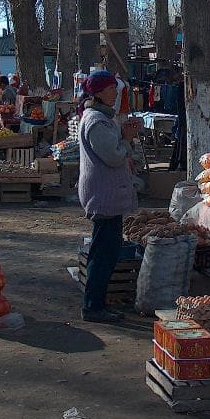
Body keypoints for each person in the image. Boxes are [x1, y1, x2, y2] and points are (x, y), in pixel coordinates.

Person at [77, 70, 141, 323]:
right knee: (103, 254)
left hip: (106, 193)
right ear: (99, 93)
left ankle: (97, 303)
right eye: (112, 89)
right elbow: (113, 157)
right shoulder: (97, 122)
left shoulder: (102, 118)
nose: (115, 93)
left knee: (105, 250)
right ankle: (93, 306)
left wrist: (124, 138)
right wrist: (126, 139)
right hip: (103, 194)